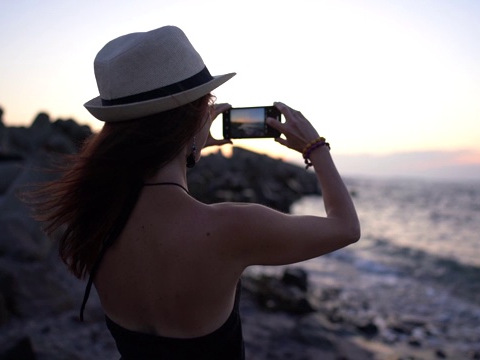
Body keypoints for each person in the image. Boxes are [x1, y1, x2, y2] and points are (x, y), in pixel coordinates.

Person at [32, 25, 359, 359]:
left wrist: (188, 142)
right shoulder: (229, 228)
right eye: (209, 103)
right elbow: (345, 227)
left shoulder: (93, 219)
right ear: (195, 118)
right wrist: (316, 148)